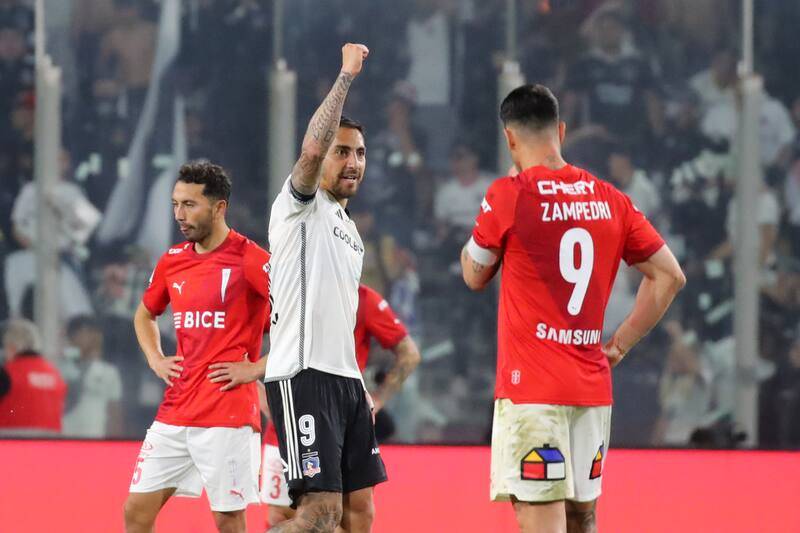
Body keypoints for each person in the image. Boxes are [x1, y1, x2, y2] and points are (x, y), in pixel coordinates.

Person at [460, 84, 685, 533]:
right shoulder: (611, 198)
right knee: (583, 519)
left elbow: (474, 275)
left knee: (542, 521)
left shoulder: (510, 193)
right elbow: (669, 276)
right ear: (560, 131)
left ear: (509, 139)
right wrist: (619, 344)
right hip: (590, 393)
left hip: (532, 394)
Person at [264, 43, 386, 533]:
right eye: (343, 151)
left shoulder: (349, 228)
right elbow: (311, 149)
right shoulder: (299, 206)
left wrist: (360, 384)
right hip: (304, 375)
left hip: (346, 382)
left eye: (359, 152)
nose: (353, 161)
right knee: (320, 514)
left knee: (360, 516)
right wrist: (345, 76)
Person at [123, 160, 271, 533]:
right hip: (176, 410)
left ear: (219, 207)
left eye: (189, 205)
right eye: (175, 204)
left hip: (228, 412)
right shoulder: (173, 261)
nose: (179, 214)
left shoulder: (251, 259)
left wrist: (256, 369)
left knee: (227, 520)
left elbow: (302, 321)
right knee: (136, 512)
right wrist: (156, 359)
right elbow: (144, 315)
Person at [205, 283, 421, 529]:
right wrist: (266, 400)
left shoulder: (363, 298)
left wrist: (377, 401)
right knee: (284, 516)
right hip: (289, 426)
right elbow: (229, 344)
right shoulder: (285, 292)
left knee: (344, 516)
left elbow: (409, 353)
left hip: (340, 424)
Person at [60, 314, 124, 438]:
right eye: (81, 333)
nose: (94, 338)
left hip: (95, 440)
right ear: (71, 338)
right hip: (66, 438)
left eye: (93, 333)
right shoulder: (61, 371)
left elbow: (115, 414)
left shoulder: (109, 372)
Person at [0, 318, 67, 436]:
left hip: (11, 444)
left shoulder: (7, 374)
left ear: (12, 347)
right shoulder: (55, 375)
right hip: (50, 445)